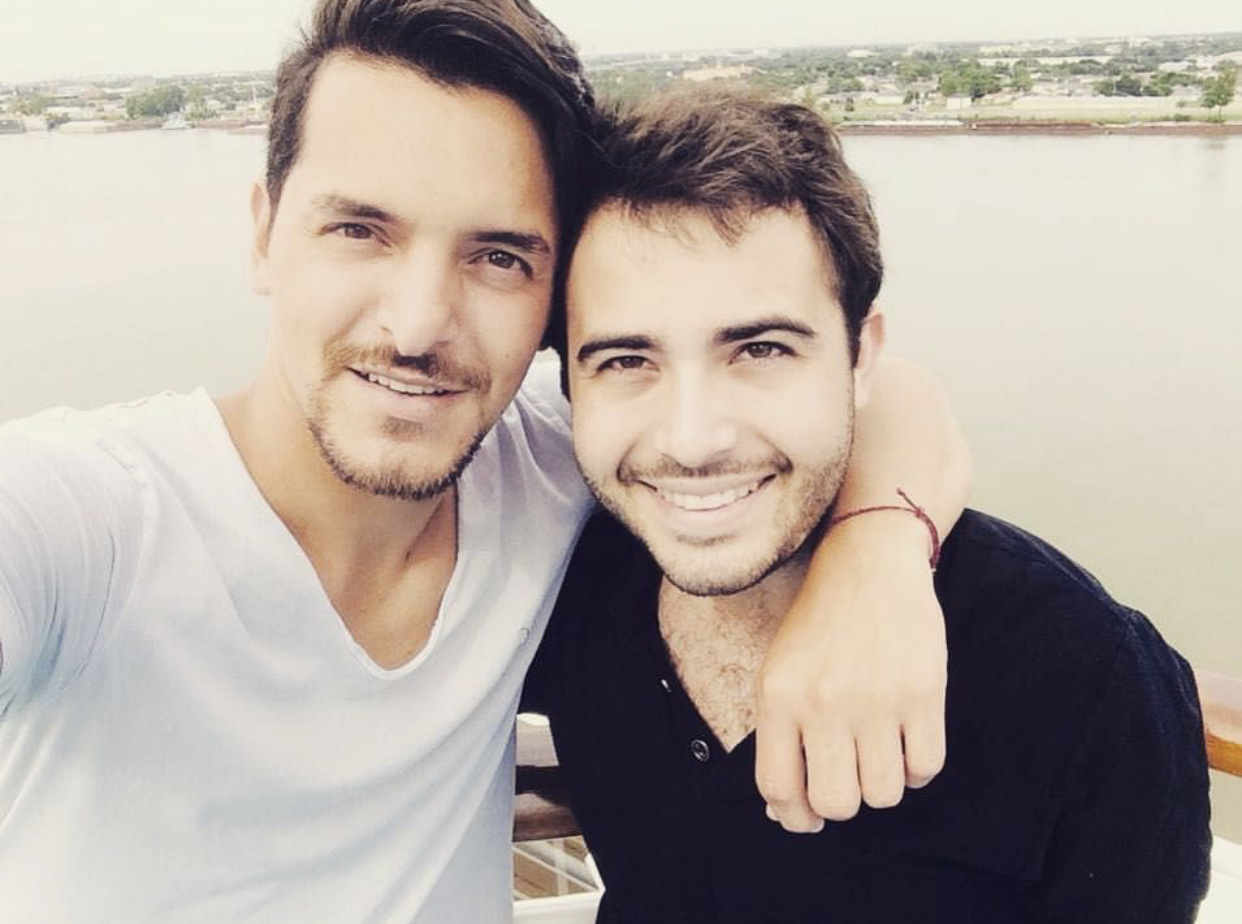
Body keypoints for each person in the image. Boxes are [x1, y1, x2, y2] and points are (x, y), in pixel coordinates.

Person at [0, 2, 971, 921]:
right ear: (262, 233)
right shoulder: (92, 524)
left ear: (554, 301)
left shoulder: (552, 461)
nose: (418, 326)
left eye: (499, 257)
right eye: (359, 231)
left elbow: (877, 385)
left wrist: (874, 564)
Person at [524, 88, 1213, 923]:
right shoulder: (563, 579)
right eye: (626, 361)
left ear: (861, 358)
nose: (693, 439)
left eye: (761, 349)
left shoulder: (1084, 678)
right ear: (570, 386)